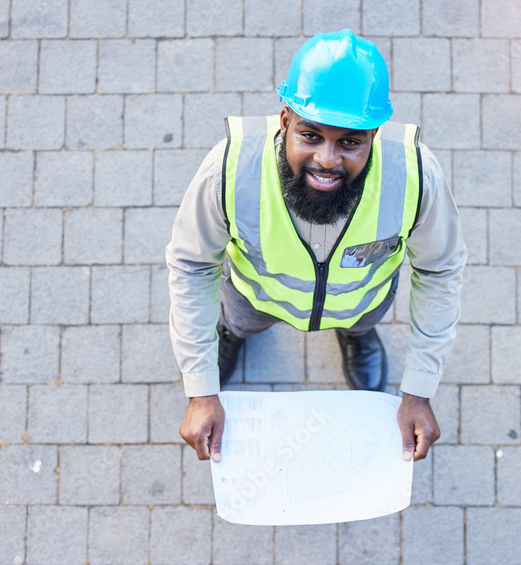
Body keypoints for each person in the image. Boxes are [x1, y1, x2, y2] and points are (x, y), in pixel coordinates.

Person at [166, 29, 466, 464]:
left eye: (350, 141)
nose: (328, 159)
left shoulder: (416, 176)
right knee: (239, 323)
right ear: (285, 119)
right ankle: (230, 335)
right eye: (311, 135)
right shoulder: (229, 167)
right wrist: (201, 386)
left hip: (361, 301)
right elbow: (192, 265)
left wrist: (418, 388)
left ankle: (357, 337)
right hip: (255, 298)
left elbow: (440, 270)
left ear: (374, 134)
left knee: (360, 321)